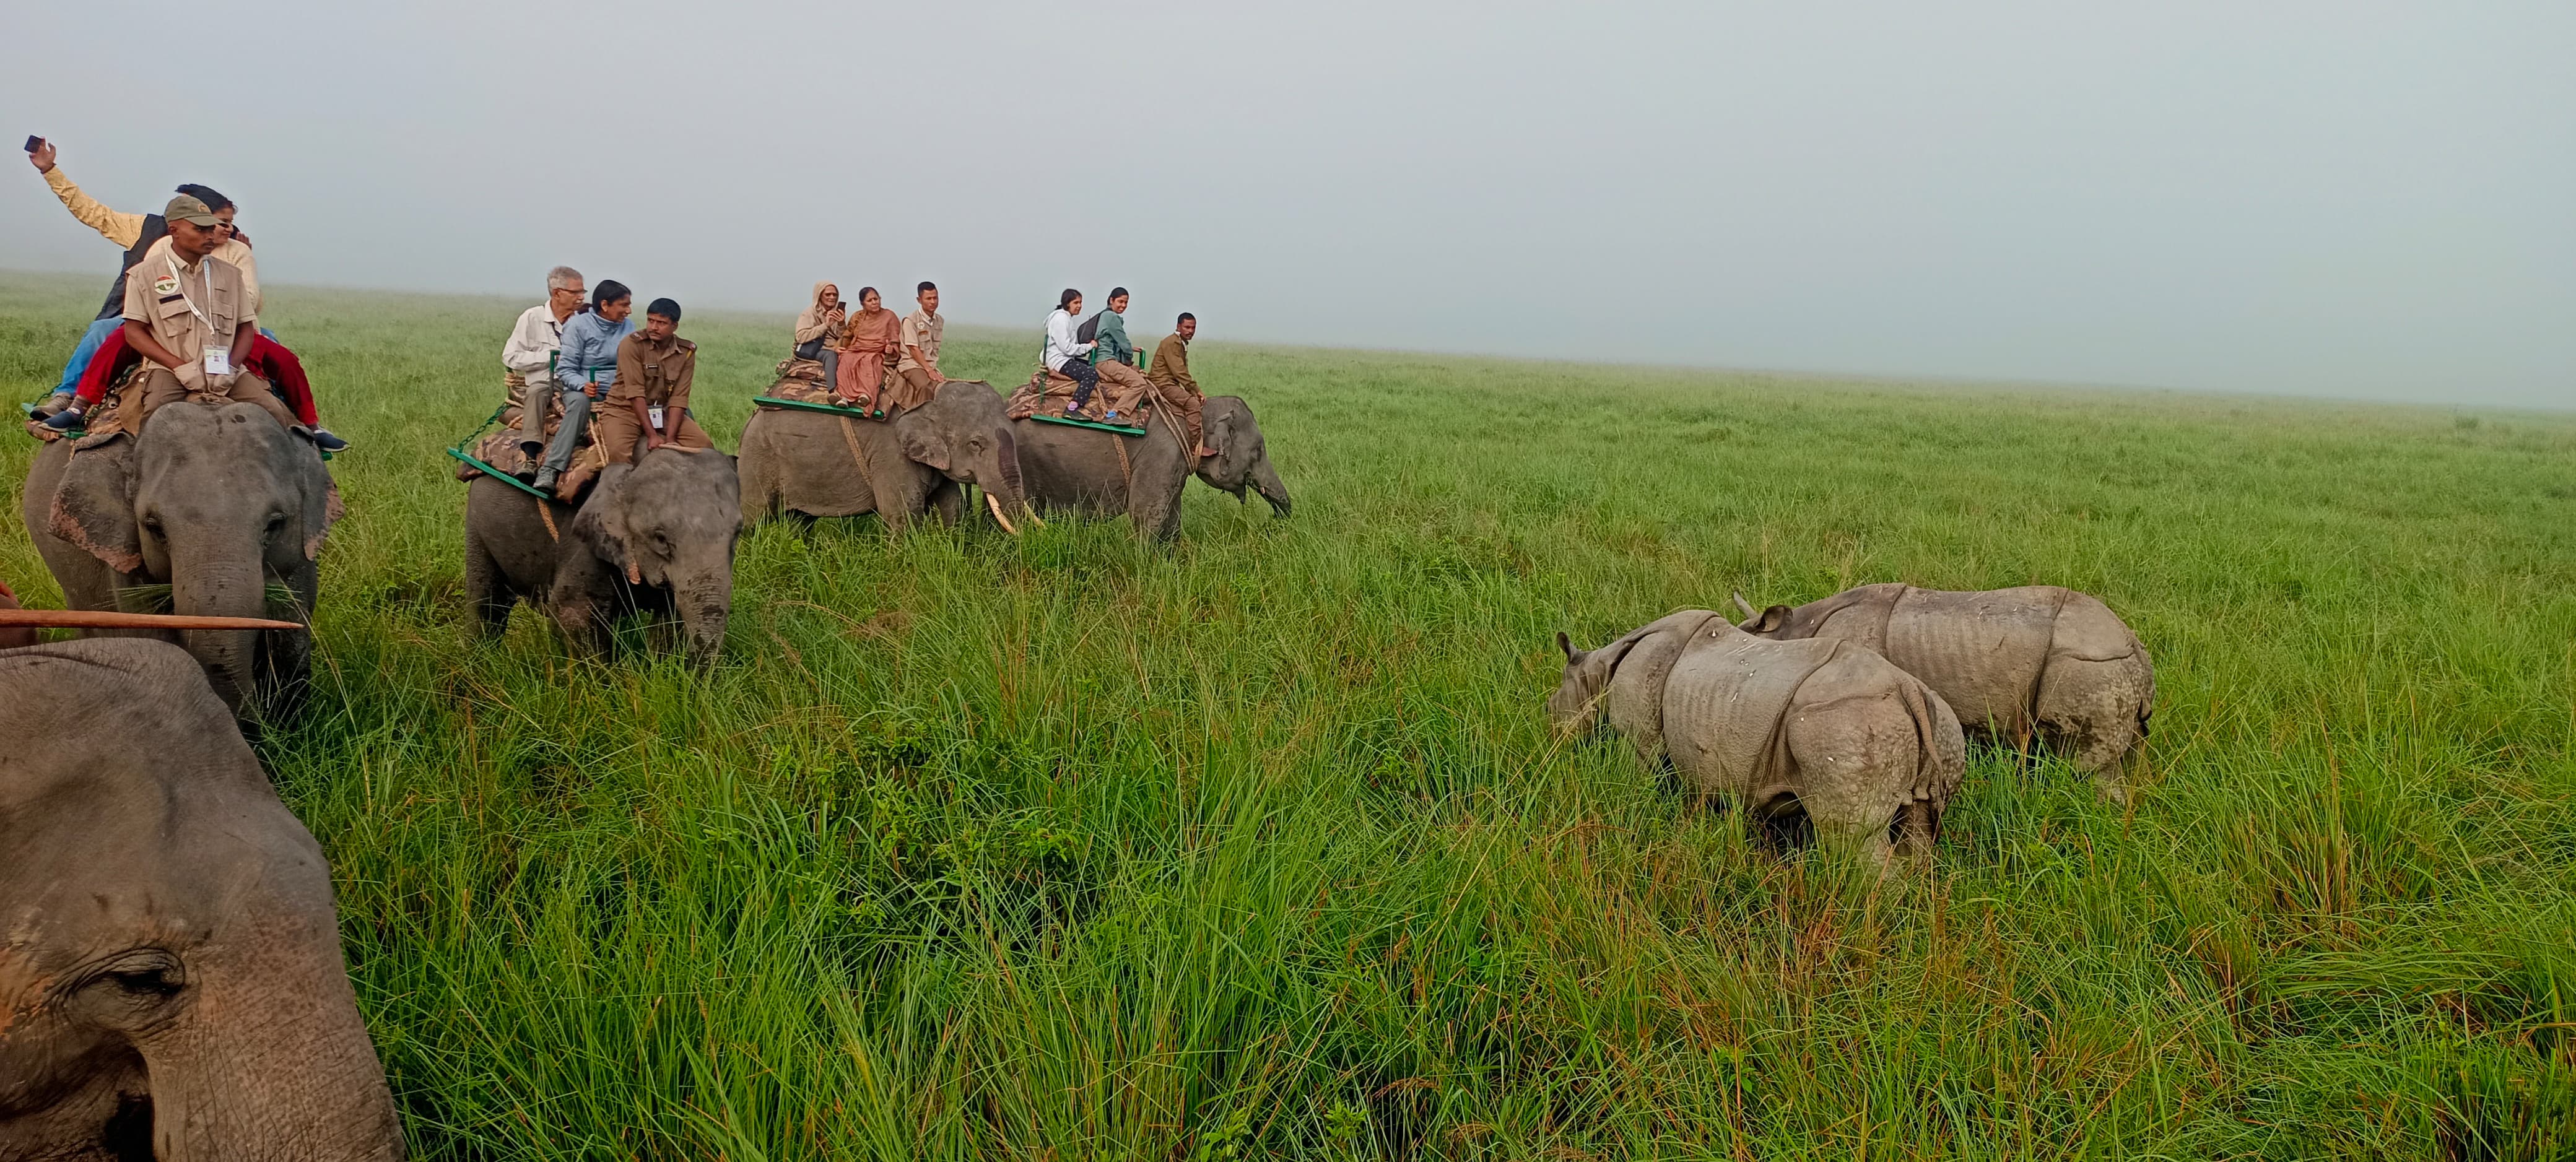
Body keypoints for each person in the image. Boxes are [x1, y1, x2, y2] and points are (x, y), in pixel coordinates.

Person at [27, 140, 259, 415]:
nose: (226, 229)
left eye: (228, 223)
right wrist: (50, 171)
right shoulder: (145, 230)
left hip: (220, 329)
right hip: (153, 323)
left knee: (267, 339)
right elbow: (92, 213)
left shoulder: (235, 250)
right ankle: (68, 396)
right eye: (218, 222)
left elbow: (250, 298)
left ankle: (299, 422)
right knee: (102, 331)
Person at [88, 194, 297, 433]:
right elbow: (134, 332)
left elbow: (246, 328)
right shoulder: (143, 275)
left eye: (211, 228)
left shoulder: (231, 274)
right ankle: (77, 405)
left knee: (274, 414)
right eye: (200, 229)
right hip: (169, 370)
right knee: (155, 420)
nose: (209, 235)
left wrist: (231, 366)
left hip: (227, 370)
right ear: (174, 230)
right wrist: (179, 367)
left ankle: (310, 438)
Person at [534, 280, 634, 491]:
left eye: (629, 305)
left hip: (620, 388)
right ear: (605, 305)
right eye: (624, 305)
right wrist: (583, 385)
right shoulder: (578, 326)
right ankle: (551, 468)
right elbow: (566, 369)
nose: (629, 310)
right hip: (585, 388)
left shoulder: (629, 327)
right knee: (579, 404)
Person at [595, 298, 713, 463]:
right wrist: (652, 436)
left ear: (675, 326)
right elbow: (635, 394)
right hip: (623, 411)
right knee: (619, 453)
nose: (653, 327)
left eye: (661, 323)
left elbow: (679, 397)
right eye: (650, 321)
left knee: (705, 446)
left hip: (660, 412)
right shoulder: (632, 345)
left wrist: (671, 439)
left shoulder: (686, 352)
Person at [503, 266, 585, 457]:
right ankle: (530, 454)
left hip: (573, 383)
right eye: (576, 292)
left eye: (583, 292)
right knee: (537, 391)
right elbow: (511, 357)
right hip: (543, 382)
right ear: (557, 293)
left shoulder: (583, 322)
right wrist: (551, 356)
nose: (581, 297)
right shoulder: (532, 318)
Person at [1147, 311, 1217, 457]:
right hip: (1163, 384)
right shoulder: (1172, 343)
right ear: (1179, 326)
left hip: (1169, 382)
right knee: (1193, 405)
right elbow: (1179, 371)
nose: (1190, 331)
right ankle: (1195, 446)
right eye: (1187, 327)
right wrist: (1195, 390)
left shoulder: (1179, 343)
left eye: (1193, 328)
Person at [835, 287, 900, 411]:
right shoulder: (858, 316)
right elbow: (848, 335)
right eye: (870, 300)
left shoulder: (890, 316)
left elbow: (895, 340)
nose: (874, 302)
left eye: (876, 299)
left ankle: (865, 395)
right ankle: (844, 397)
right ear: (863, 304)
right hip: (856, 350)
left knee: (870, 361)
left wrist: (891, 350)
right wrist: (839, 348)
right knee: (846, 359)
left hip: (876, 352)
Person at [1042, 288, 1097, 415]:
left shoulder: (1066, 318)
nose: (1079, 306)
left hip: (1064, 357)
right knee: (1091, 373)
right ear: (1067, 304)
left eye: (1080, 303)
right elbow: (1067, 348)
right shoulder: (1061, 319)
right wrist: (1088, 347)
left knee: (1089, 364)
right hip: (1059, 360)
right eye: (1076, 303)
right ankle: (1073, 408)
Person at [894, 281, 944, 410]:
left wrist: (933, 369)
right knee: (924, 386)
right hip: (912, 364)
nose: (933, 302)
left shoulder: (939, 321)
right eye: (929, 298)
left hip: (930, 364)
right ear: (919, 300)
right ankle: (922, 419)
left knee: (944, 388)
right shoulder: (910, 321)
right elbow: (913, 349)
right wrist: (929, 370)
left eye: (935, 298)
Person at [793, 281, 847, 389]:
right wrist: (826, 325)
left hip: (835, 348)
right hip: (814, 349)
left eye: (835, 295)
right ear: (820, 295)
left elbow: (843, 337)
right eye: (828, 294)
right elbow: (801, 337)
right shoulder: (809, 313)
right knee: (831, 356)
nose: (832, 297)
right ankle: (833, 390)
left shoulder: (836, 312)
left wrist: (841, 324)